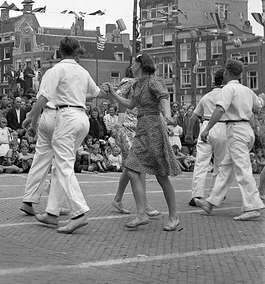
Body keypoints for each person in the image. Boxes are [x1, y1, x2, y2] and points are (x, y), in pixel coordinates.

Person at [27, 36, 108, 234]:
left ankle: (78, 213)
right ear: (77, 51)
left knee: (63, 167)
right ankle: (52, 213)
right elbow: (97, 92)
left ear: (60, 51)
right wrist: (111, 91)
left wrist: (31, 116)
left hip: (66, 117)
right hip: (82, 118)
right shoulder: (82, 71)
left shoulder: (57, 70)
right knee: (62, 166)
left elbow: (44, 96)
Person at [105, 52, 181, 231]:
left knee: (161, 176)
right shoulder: (136, 84)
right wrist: (113, 94)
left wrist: (168, 116)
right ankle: (141, 214)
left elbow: (164, 97)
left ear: (140, 64)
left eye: (133, 63)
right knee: (131, 168)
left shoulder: (153, 81)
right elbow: (131, 105)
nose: (130, 66)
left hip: (154, 128)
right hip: (142, 128)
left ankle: (174, 216)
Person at [195, 59, 264, 221]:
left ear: (227, 72)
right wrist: (262, 97)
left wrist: (206, 129)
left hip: (235, 130)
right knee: (226, 168)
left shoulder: (228, 89)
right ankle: (211, 202)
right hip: (247, 130)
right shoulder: (246, 90)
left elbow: (220, 109)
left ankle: (252, 205)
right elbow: (259, 104)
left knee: (242, 168)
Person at [110, 68, 160, 217]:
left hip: (139, 127)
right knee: (139, 165)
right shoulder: (130, 83)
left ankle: (118, 199)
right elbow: (116, 98)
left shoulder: (147, 84)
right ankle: (144, 204)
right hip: (127, 127)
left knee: (131, 166)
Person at [185, 69, 228, 206]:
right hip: (222, 126)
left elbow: (193, 117)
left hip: (206, 126)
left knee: (201, 163)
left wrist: (189, 133)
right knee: (220, 163)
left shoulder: (206, 96)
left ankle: (196, 195)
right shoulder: (227, 95)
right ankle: (215, 194)